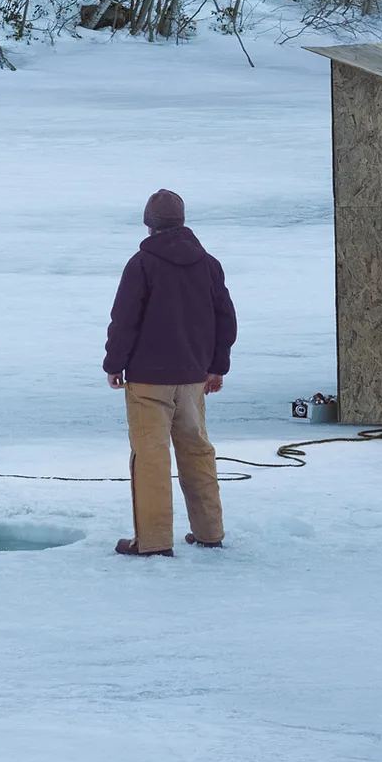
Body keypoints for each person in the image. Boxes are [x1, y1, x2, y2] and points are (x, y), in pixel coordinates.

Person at [103, 190, 236, 555]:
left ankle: (154, 541)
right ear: (181, 222)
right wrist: (216, 366)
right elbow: (225, 318)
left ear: (149, 224)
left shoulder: (141, 265)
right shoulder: (207, 264)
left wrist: (114, 364)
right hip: (193, 378)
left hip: (148, 380)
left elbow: (124, 321)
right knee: (196, 451)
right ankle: (210, 532)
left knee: (151, 458)